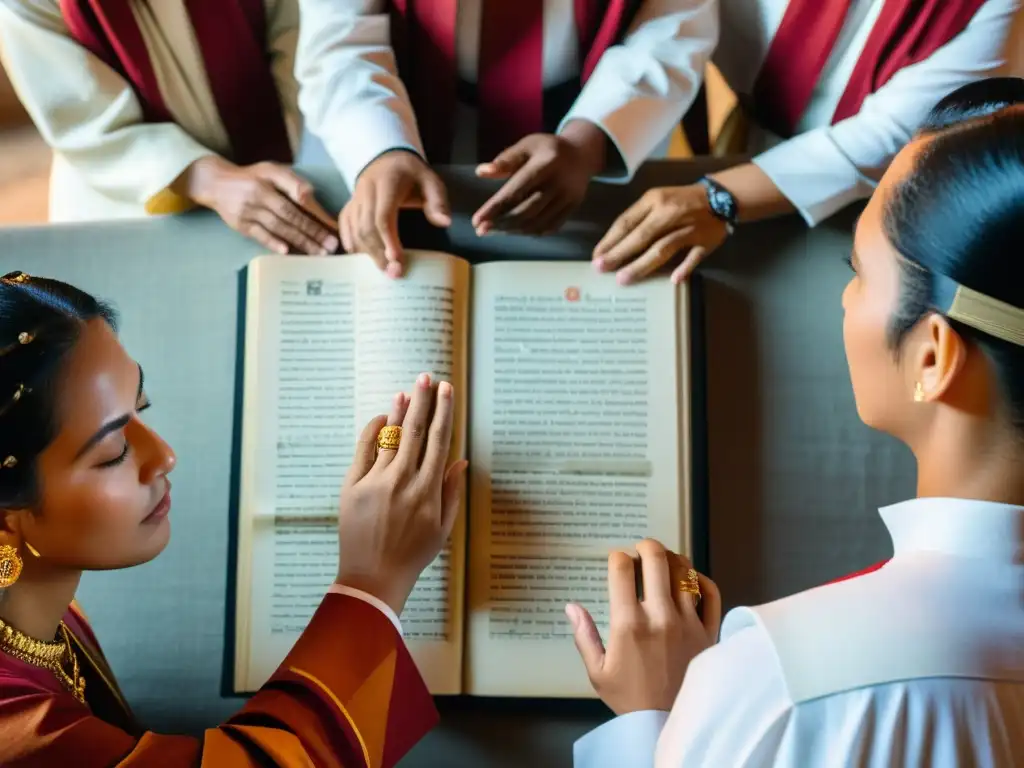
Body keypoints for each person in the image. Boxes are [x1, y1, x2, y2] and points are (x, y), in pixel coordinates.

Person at [570, 76, 1024, 766]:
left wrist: (656, 718)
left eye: (862, 271)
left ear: (932, 355)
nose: (845, 299)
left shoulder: (779, 682)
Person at [0, 271, 466, 766]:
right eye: (114, 450)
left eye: (142, 406)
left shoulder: (37, 611)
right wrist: (373, 580)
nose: (165, 455)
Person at [593, 0, 1022, 286]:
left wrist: (720, 199)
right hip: (730, 137)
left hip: (862, 199)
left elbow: (890, 136)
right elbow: (673, 23)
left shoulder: (992, 6)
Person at [294, 0, 718, 275]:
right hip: (406, 112)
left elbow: (673, 26)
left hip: (595, 109)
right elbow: (340, 40)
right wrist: (379, 151)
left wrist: (587, 141)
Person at [0, 0, 339, 256]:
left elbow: (294, 30)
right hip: (131, 190)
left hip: (285, 163)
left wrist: (291, 139)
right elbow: (79, 113)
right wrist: (208, 178)